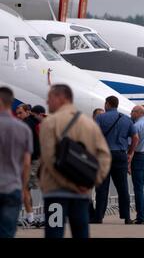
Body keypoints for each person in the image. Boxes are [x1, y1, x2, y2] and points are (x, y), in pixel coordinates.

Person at [38, 85, 111, 238]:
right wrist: (92, 181)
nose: (47, 101)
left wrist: (69, 184)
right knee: (81, 232)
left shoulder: (49, 123)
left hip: (55, 193)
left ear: (61, 98)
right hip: (82, 194)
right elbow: (105, 156)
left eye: (50, 98)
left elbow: (49, 160)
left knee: (54, 233)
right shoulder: (90, 124)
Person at [93, 96, 138, 224]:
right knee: (123, 187)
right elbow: (135, 138)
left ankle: (99, 217)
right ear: (117, 105)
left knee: (102, 188)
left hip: (103, 156)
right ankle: (127, 217)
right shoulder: (126, 119)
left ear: (107, 104)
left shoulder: (100, 118)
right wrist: (130, 152)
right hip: (120, 155)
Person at [0, 87, 32, 238]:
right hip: (13, 188)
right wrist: (23, 188)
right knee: (7, 232)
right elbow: (26, 164)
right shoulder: (23, 129)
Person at [15, 103, 41, 227]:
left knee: (24, 188)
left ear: (27, 112)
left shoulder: (27, 125)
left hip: (30, 161)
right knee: (25, 189)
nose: (18, 115)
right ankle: (28, 216)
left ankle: (29, 217)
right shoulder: (32, 123)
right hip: (32, 159)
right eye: (17, 113)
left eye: (20, 113)